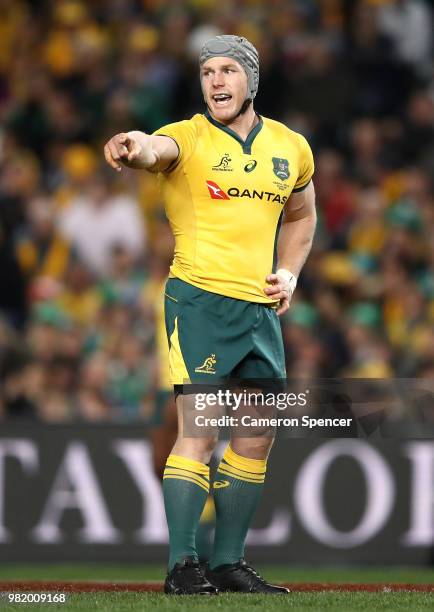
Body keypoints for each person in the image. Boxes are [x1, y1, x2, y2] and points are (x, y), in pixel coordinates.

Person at [104, 35, 316, 595]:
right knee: (198, 429)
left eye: (227, 71)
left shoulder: (290, 146)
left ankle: (228, 563)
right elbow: (155, 151)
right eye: (206, 73)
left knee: (255, 434)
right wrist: (133, 143)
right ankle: (181, 565)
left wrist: (289, 273)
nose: (215, 82)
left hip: (260, 308)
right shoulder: (187, 136)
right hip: (198, 301)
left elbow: (301, 215)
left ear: (251, 79)